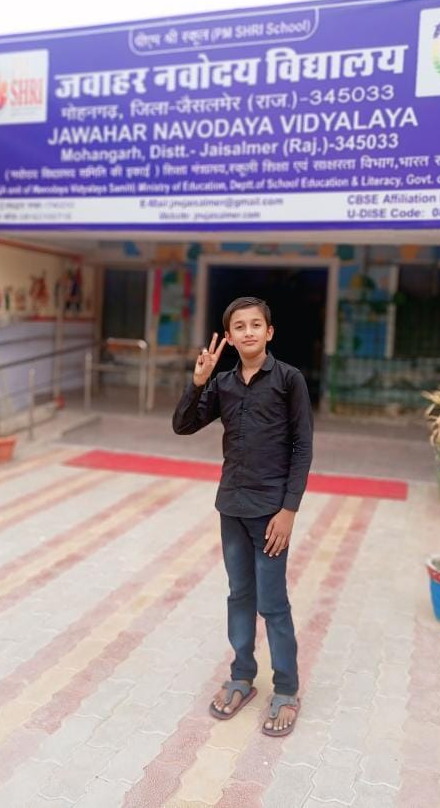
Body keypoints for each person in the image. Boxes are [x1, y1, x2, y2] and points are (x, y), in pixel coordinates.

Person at [172, 296, 313, 736]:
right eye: (239, 326)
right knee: (239, 595)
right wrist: (198, 382)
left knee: (272, 603)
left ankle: (286, 688)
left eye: (255, 325)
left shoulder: (289, 380)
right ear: (230, 338)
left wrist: (289, 510)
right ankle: (242, 676)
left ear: (269, 332)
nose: (248, 331)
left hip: (271, 513)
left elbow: (302, 448)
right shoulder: (223, 385)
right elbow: (183, 425)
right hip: (231, 507)